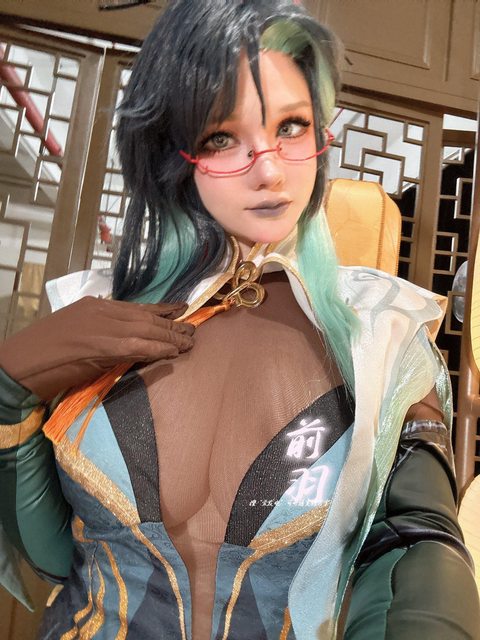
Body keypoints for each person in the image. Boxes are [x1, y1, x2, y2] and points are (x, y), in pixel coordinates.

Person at [0, 1, 479, 638]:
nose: (270, 170)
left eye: (292, 126)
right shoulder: (95, 313)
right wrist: (8, 387)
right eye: (222, 137)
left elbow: (417, 541)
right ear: (170, 151)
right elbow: (55, 557)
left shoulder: (380, 334)